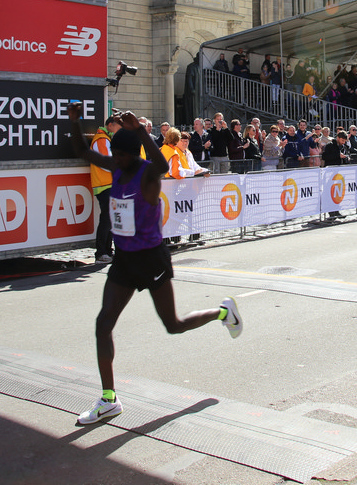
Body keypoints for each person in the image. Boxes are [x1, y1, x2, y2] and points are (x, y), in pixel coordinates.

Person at [66, 103, 242, 426]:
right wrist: (74, 121)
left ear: (132, 155)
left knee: (173, 324)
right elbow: (81, 151)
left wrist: (140, 131)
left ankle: (222, 312)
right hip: (124, 260)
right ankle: (109, 399)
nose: (115, 160)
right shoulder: (116, 167)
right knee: (103, 324)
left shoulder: (147, 174)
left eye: (121, 156)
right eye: (114, 156)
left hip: (151, 258)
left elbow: (160, 163)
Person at [90, 114, 124, 262]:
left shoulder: (105, 139)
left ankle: (107, 251)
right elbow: (107, 162)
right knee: (106, 220)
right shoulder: (101, 139)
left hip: (108, 184)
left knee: (110, 220)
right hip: (104, 185)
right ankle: (101, 252)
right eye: (118, 127)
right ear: (110, 125)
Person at [322, 130, 351, 219]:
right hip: (330, 172)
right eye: (342, 140)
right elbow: (325, 157)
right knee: (330, 192)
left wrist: (346, 158)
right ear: (338, 138)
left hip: (339, 173)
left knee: (338, 192)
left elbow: (347, 155)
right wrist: (338, 155)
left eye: (344, 141)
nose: (343, 142)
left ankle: (337, 210)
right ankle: (331, 213)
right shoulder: (330, 145)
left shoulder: (344, 147)